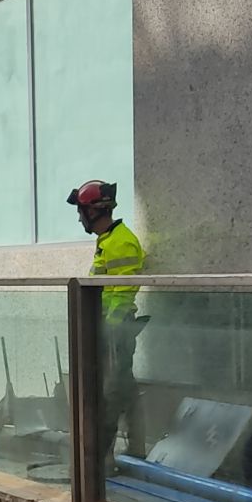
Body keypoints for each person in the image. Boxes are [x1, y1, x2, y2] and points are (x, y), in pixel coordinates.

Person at [68, 179, 146, 453]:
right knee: (118, 391)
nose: (79, 219)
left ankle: (102, 459)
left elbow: (123, 293)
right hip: (108, 330)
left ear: (93, 212)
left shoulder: (121, 242)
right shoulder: (109, 240)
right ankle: (120, 452)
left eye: (81, 212)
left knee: (112, 396)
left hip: (116, 331)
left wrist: (110, 330)